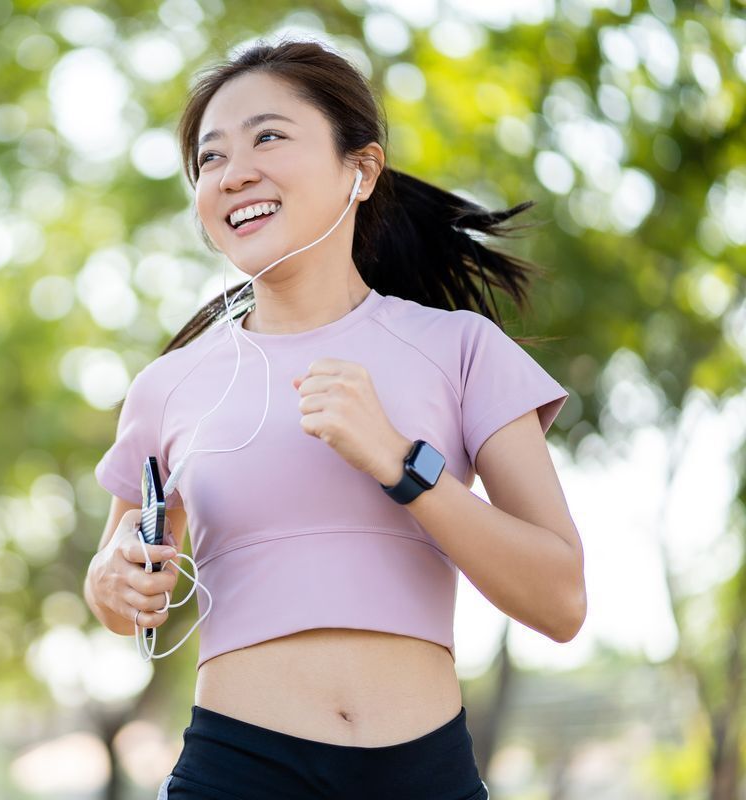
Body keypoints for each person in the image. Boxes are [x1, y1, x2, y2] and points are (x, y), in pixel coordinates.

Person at [83, 37, 586, 799]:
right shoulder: (169, 385)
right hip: (236, 773)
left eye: (268, 137)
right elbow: (116, 589)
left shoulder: (460, 350)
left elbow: (562, 602)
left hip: (427, 774)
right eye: (210, 159)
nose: (234, 171)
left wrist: (402, 463)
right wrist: (113, 585)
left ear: (362, 169)